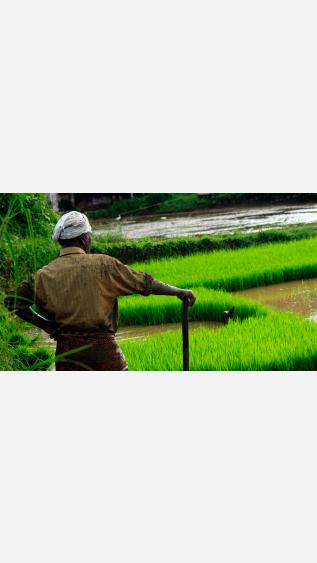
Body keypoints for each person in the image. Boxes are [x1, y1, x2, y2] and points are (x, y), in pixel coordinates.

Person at [5, 211, 196, 371]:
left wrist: (46, 325)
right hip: (103, 352)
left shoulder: (42, 275)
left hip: (66, 354)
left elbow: (12, 302)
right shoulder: (104, 264)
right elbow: (146, 283)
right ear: (84, 239)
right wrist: (179, 291)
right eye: (89, 236)